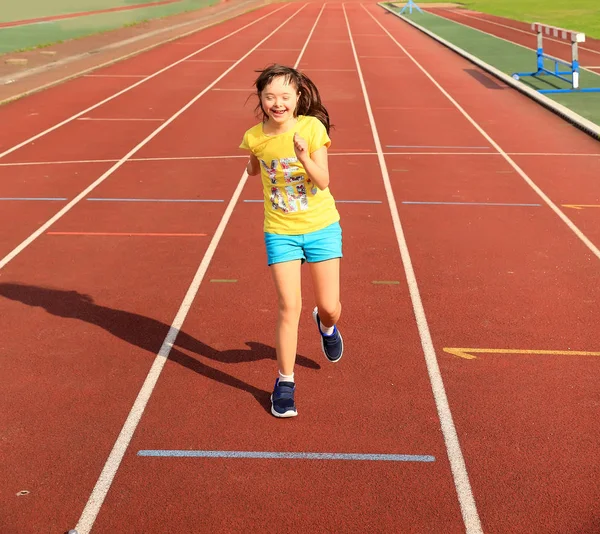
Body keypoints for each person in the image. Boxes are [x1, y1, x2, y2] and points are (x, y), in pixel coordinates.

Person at [239, 64, 344, 418]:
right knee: (289, 307)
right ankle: (285, 382)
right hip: (280, 231)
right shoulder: (254, 136)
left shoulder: (312, 128)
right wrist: (252, 165)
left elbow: (324, 180)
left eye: (285, 96)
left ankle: (326, 325)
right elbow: (254, 165)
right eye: (270, 96)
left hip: (321, 226)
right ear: (262, 99)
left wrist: (302, 157)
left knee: (329, 305)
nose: (277, 103)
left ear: (298, 97)